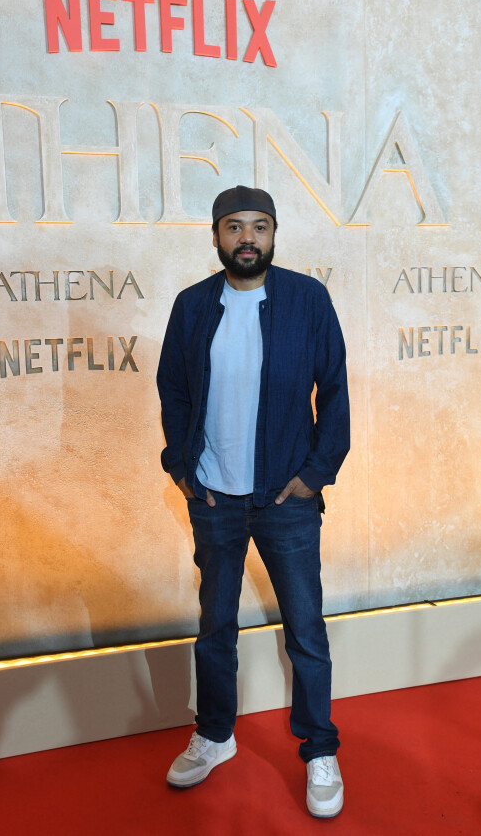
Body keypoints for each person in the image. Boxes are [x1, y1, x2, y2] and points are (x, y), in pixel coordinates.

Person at [156, 185, 350, 818]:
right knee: (215, 627)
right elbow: (173, 392)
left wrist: (314, 474)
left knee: (305, 630)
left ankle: (319, 747)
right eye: (234, 227)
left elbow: (336, 393)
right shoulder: (191, 306)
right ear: (215, 236)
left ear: (273, 234)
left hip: (285, 498)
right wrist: (183, 471)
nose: (247, 238)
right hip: (213, 497)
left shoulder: (306, 300)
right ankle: (215, 735)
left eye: (259, 226)